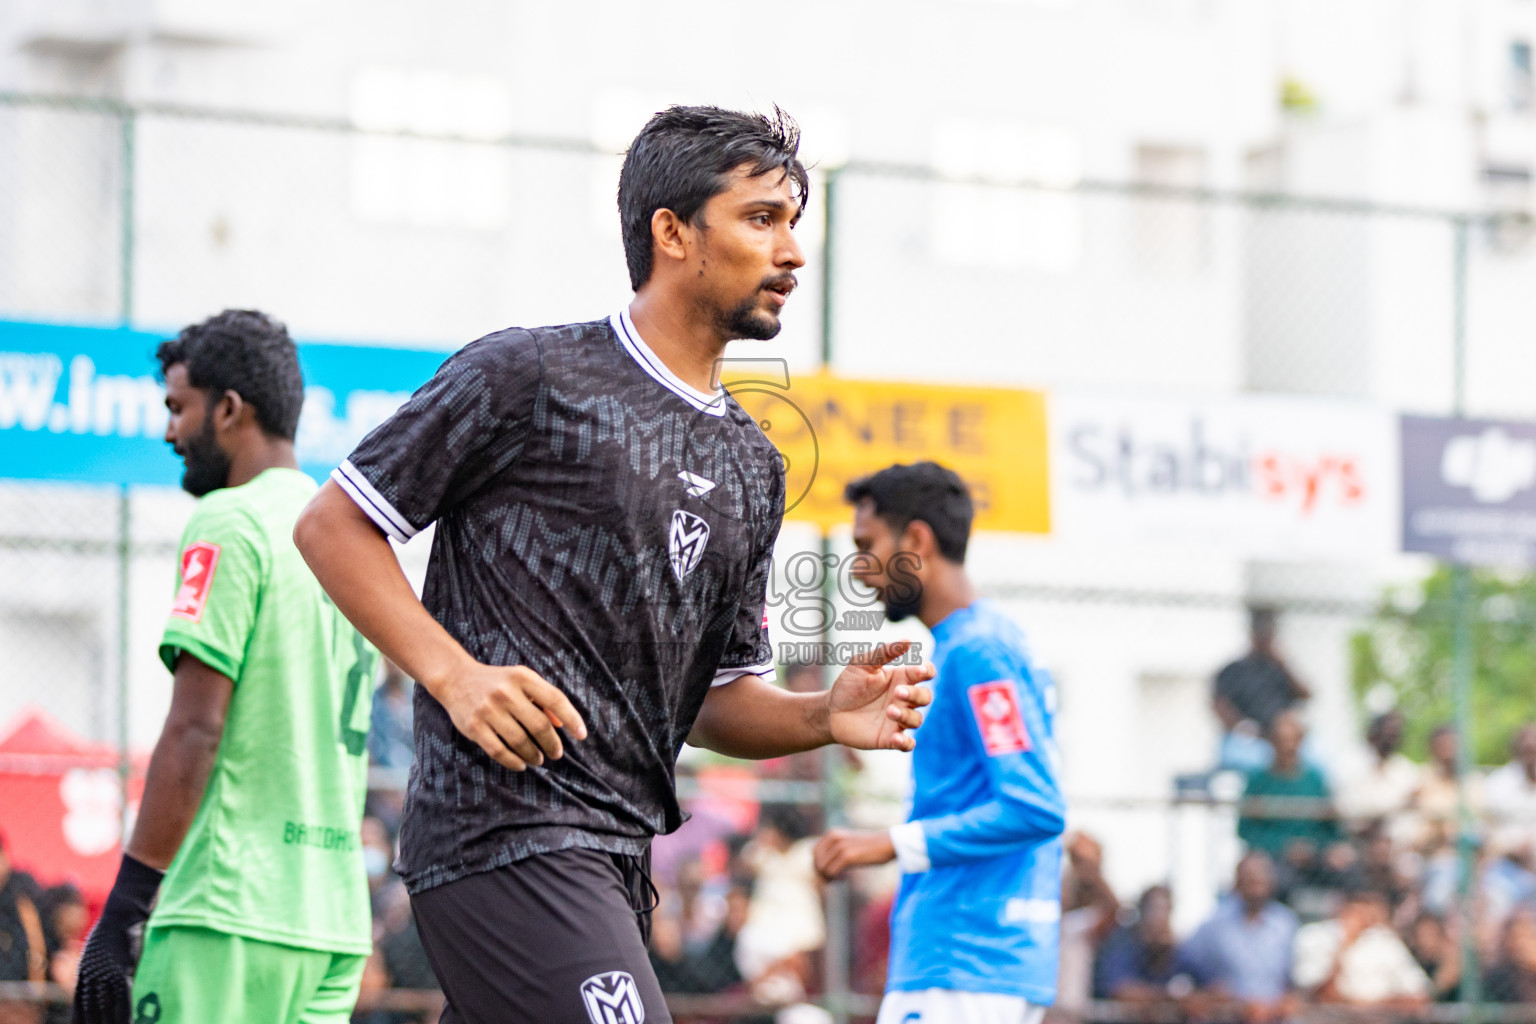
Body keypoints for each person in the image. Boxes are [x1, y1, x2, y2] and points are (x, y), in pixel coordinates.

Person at [292, 106, 933, 1024]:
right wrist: (455, 676)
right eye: (760, 219)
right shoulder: (527, 375)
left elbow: (713, 698)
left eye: (795, 222)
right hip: (501, 834)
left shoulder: (756, 465)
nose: (792, 251)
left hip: (617, 859)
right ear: (671, 232)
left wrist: (820, 716)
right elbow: (334, 525)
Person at [72, 310, 379, 1024]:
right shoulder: (347, 533)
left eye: (179, 408)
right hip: (330, 922)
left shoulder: (230, 521)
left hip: (226, 909)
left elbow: (195, 730)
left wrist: (123, 908)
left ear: (231, 410)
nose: (170, 431)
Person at [811, 462, 1067, 1024]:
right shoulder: (982, 643)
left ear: (917, 541)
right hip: (977, 964)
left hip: (965, 961)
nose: (859, 569)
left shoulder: (980, 652)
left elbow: (1035, 808)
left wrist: (887, 844)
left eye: (867, 544)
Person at [1179, 852, 1298, 1022]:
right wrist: (1208, 991)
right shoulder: (1215, 923)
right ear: (1237, 881)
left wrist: (1284, 1002)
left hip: (1273, 1015)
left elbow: (1292, 980)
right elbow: (1187, 967)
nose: (1255, 882)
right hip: (1228, 1015)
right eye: (1248, 877)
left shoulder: (1286, 923)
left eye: (1261, 876)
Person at [1292, 886, 1429, 1007]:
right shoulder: (1315, 936)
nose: (1364, 914)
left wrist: (1367, 1006)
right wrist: (1344, 945)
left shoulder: (1387, 942)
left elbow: (1420, 995)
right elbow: (1316, 996)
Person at [1213, 607, 1310, 772]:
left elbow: (1306, 695)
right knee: (1251, 762)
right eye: (1260, 633)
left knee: (1315, 758)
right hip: (1248, 737)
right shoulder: (1234, 670)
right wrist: (1241, 727)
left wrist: (1284, 664)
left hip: (1282, 736)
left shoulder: (1279, 669)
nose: (1264, 639)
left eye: (1268, 634)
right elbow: (1218, 704)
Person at [1237, 710, 1339, 864]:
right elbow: (1246, 829)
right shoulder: (1258, 781)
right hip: (1273, 858)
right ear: (1272, 742)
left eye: (1293, 740)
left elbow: (1331, 828)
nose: (1288, 747)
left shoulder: (1315, 779)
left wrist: (1315, 847)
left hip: (1315, 858)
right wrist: (1281, 846)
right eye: (1282, 741)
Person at [1336, 710, 1418, 841]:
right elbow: (1349, 811)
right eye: (1387, 731)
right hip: (1359, 843)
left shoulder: (1406, 770)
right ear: (1374, 732)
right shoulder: (1350, 766)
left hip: (1398, 846)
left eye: (1395, 733)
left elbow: (1410, 814)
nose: (1390, 737)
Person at [1486, 723, 1536, 856]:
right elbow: (1489, 826)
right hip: (1507, 856)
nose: (1531, 758)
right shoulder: (1498, 783)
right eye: (1527, 751)